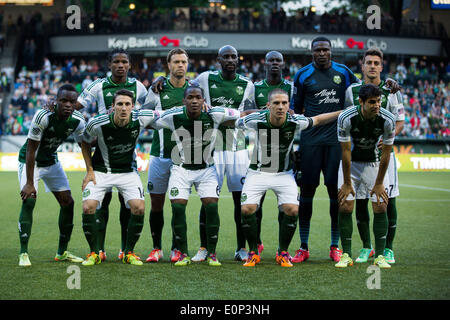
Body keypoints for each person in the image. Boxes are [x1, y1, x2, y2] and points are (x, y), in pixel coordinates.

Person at [237, 88, 342, 267]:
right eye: (276, 103)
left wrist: (342, 112)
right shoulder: (255, 120)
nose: (280, 106)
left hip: (283, 174)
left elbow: (317, 120)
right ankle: (253, 252)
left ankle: (283, 252)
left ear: (288, 105)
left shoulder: (295, 121)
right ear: (268, 105)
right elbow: (236, 121)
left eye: (284, 103)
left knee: (293, 210)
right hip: (258, 172)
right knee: (247, 209)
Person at [153, 85, 254, 267]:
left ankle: (212, 254)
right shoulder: (173, 115)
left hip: (206, 169)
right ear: (184, 100)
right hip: (181, 168)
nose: (194, 101)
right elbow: (147, 119)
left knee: (212, 206)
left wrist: (269, 109)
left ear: (203, 100)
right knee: (177, 207)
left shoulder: (214, 113)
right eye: (190, 98)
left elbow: (243, 114)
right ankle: (182, 253)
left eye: (198, 97)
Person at [290, 36, 360, 263]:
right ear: (312, 52)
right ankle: (303, 246)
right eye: (317, 50)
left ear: (331, 51)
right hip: (310, 142)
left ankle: (334, 245)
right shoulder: (302, 75)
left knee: (335, 194)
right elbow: (296, 109)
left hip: (336, 142)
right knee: (306, 194)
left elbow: (363, 93)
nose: (322, 53)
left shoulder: (344, 72)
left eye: (325, 50)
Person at [76, 49, 147, 262]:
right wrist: (89, 128)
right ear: (110, 64)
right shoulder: (97, 86)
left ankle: (126, 250)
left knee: (129, 204)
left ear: (129, 64)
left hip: (127, 156)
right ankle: (99, 250)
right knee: (101, 202)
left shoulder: (140, 87)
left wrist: (161, 82)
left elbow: (152, 108)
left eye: (124, 62)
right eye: (116, 61)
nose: (120, 65)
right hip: (103, 150)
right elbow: (75, 108)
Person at [80, 89, 159, 266]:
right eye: (120, 104)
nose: (123, 108)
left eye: (127, 104)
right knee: (88, 207)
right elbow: (84, 142)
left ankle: (128, 252)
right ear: (112, 107)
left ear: (133, 106)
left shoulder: (141, 117)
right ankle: (94, 253)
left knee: (138, 207)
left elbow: (166, 113)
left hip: (127, 172)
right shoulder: (97, 123)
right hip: (101, 171)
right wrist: (89, 170)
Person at [192, 45, 255, 262]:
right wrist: (158, 81)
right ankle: (204, 248)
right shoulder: (204, 78)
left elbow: (252, 111)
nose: (230, 60)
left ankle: (241, 248)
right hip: (211, 150)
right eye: (225, 57)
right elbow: (186, 91)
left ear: (238, 60)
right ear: (218, 59)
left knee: (241, 201)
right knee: (208, 201)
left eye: (233, 57)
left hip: (237, 150)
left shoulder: (247, 85)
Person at [344, 48, 405, 264]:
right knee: (360, 201)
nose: (372, 66)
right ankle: (366, 247)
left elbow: (400, 122)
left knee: (388, 200)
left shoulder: (392, 90)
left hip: (384, 155)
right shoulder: (352, 91)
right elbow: (348, 120)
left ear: (381, 66)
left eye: (376, 63)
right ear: (362, 66)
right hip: (360, 155)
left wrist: (388, 137)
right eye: (368, 62)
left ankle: (387, 248)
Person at [17, 84, 86, 267]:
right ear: (56, 101)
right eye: (63, 100)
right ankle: (23, 252)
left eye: (72, 101)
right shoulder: (43, 116)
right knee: (29, 199)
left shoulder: (78, 120)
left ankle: (62, 252)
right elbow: (31, 150)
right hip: (30, 162)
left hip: (51, 162)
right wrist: (30, 183)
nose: (68, 105)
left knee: (68, 203)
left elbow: (85, 144)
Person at [336, 83, 395, 269]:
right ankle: (346, 255)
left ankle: (379, 256)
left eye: (378, 101)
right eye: (372, 102)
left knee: (380, 204)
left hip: (374, 163)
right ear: (361, 102)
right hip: (351, 164)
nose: (377, 105)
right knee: (345, 205)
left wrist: (379, 184)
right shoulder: (346, 117)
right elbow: (345, 152)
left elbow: (386, 153)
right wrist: (346, 183)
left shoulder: (388, 119)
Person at [142, 48, 190, 263]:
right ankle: (156, 248)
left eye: (184, 62)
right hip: (159, 154)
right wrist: (166, 121)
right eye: (176, 62)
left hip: (184, 157)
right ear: (168, 65)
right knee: (157, 204)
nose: (180, 65)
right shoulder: (157, 89)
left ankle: (176, 248)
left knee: (178, 204)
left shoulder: (195, 89)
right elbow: (145, 118)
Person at [253, 51, 293, 257]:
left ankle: (281, 247)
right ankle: (256, 242)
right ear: (265, 63)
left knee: (284, 204)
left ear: (283, 64)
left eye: (278, 60)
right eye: (271, 60)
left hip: (285, 150)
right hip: (261, 150)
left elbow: (296, 112)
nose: (275, 63)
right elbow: (247, 113)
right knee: (255, 203)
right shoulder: (256, 87)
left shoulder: (291, 87)